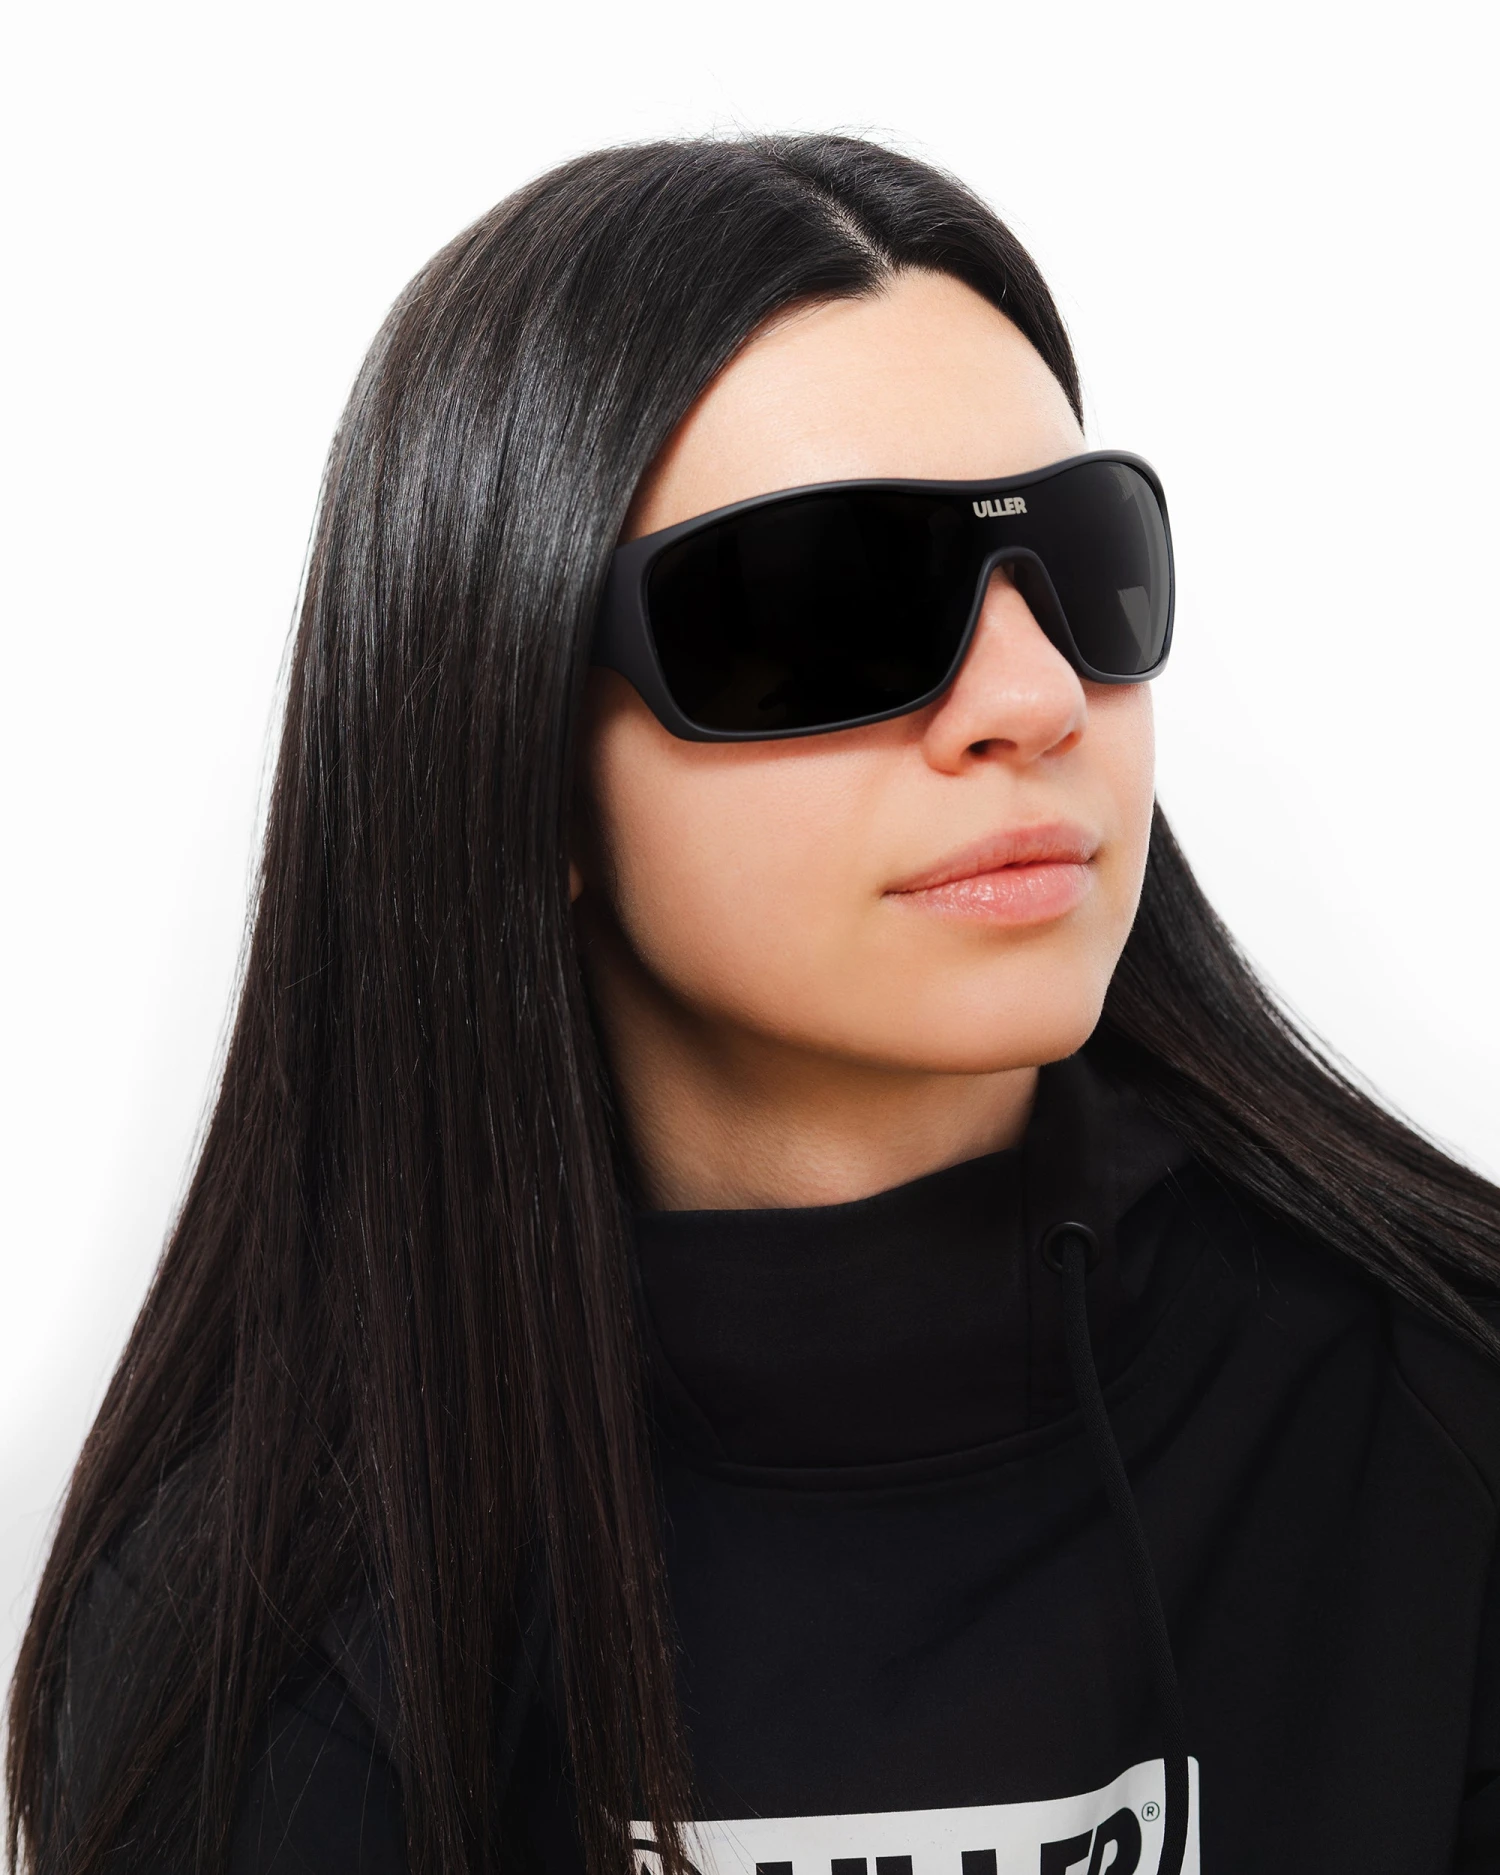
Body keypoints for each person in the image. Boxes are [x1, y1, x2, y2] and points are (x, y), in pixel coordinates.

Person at [7, 133, 1500, 1875]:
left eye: (1080, 564)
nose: (1033, 699)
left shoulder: (1439, 1423)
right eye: (834, 604)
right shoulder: (259, 1620)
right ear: (518, 760)